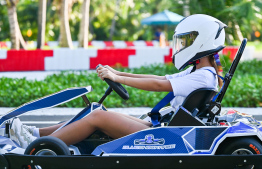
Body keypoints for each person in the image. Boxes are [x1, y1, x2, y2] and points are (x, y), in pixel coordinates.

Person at [9, 14, 227, 149]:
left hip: (166, 134)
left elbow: (159, 86)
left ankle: (37, 145)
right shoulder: (200, 71)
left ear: (201, 41)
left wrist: (117, 78)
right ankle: (35, 133)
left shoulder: (203, 75)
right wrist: (116, 73)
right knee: (96, 109)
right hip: (165, 125)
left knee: (97, 117)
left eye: (187, 40)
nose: (182, 45)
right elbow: (159, 78)